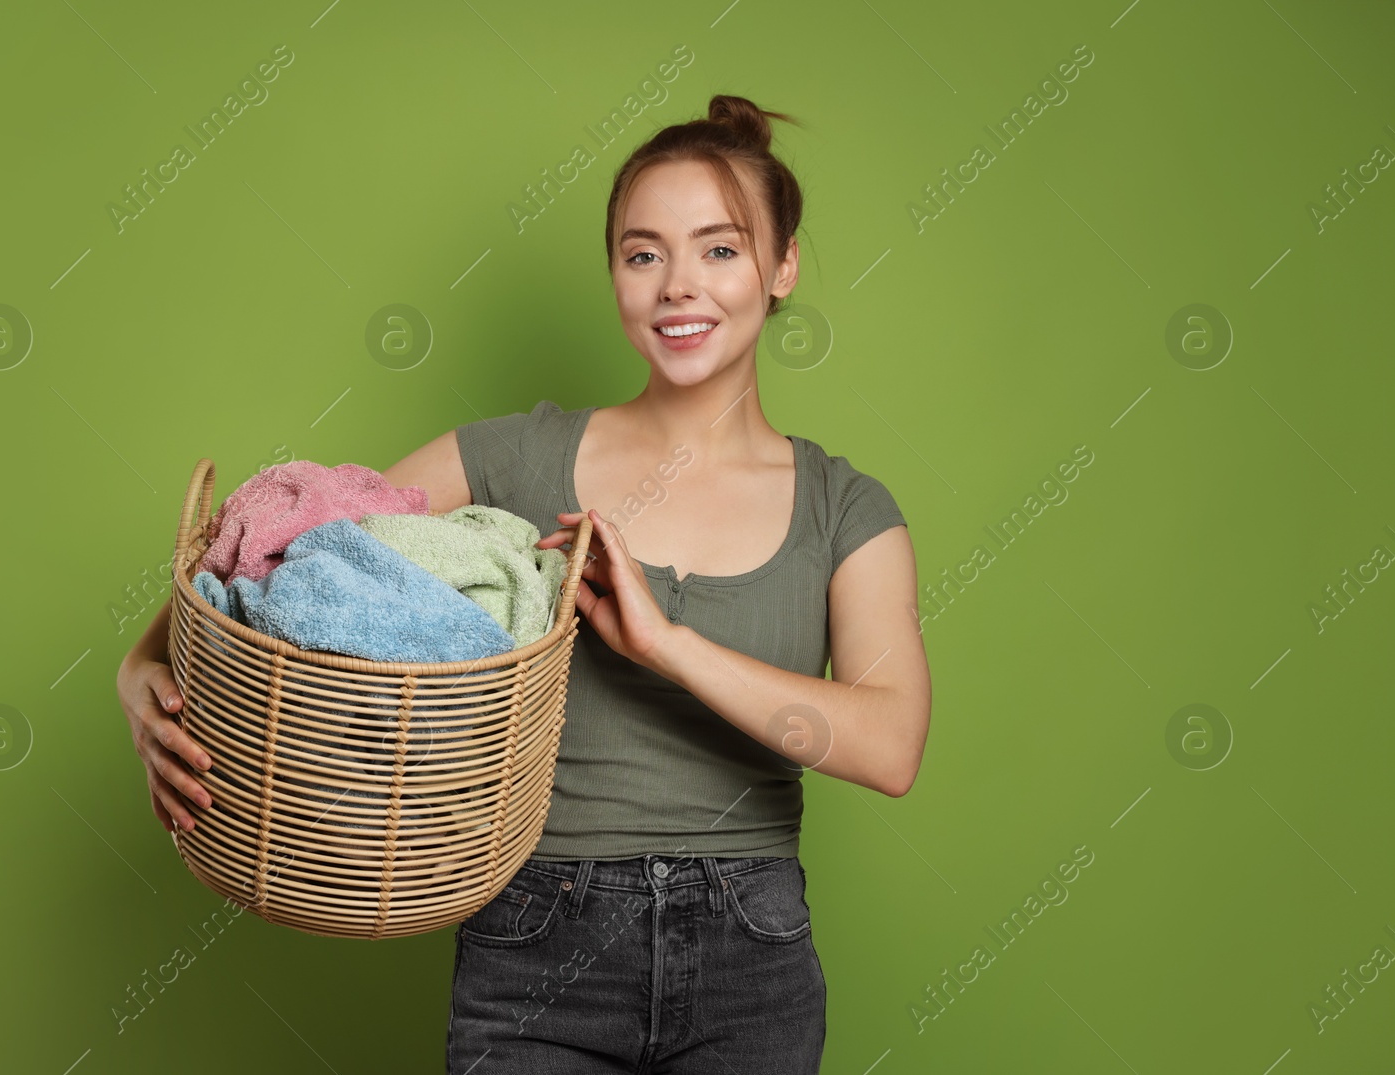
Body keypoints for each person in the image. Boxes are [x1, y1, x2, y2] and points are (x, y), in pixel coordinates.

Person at [116, 93, 930, 1074]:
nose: (679, 285)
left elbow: (889, 746)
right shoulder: (515, 457)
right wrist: (138, 667)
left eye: (719, 249)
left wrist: (665, 643)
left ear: (783, 264)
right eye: (643, 254)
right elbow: (295, 540)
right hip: (535, 931)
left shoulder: (846, 508)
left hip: (747, 954)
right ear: (615, 275)